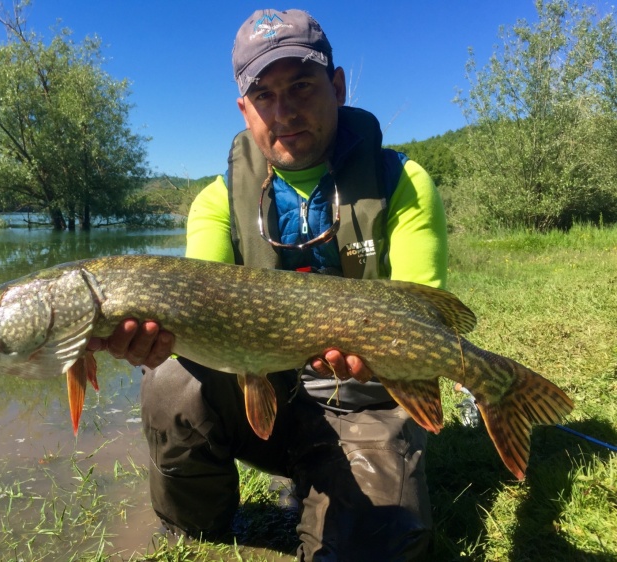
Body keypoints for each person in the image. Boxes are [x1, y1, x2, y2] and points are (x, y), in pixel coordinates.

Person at [89, 8, 447, 561]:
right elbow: (191, 317)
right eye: (264, 96)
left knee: (378, 547)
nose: (284, 112)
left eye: (301, 86)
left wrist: (393, 358)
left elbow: (426, 319)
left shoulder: (403, 182)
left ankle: (330, 474)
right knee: (169, 381)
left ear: (338, 85)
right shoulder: (216, 202)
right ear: (244, 108)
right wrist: (150, 341)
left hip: (363, 400)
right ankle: (196, 525)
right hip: (267, 395)